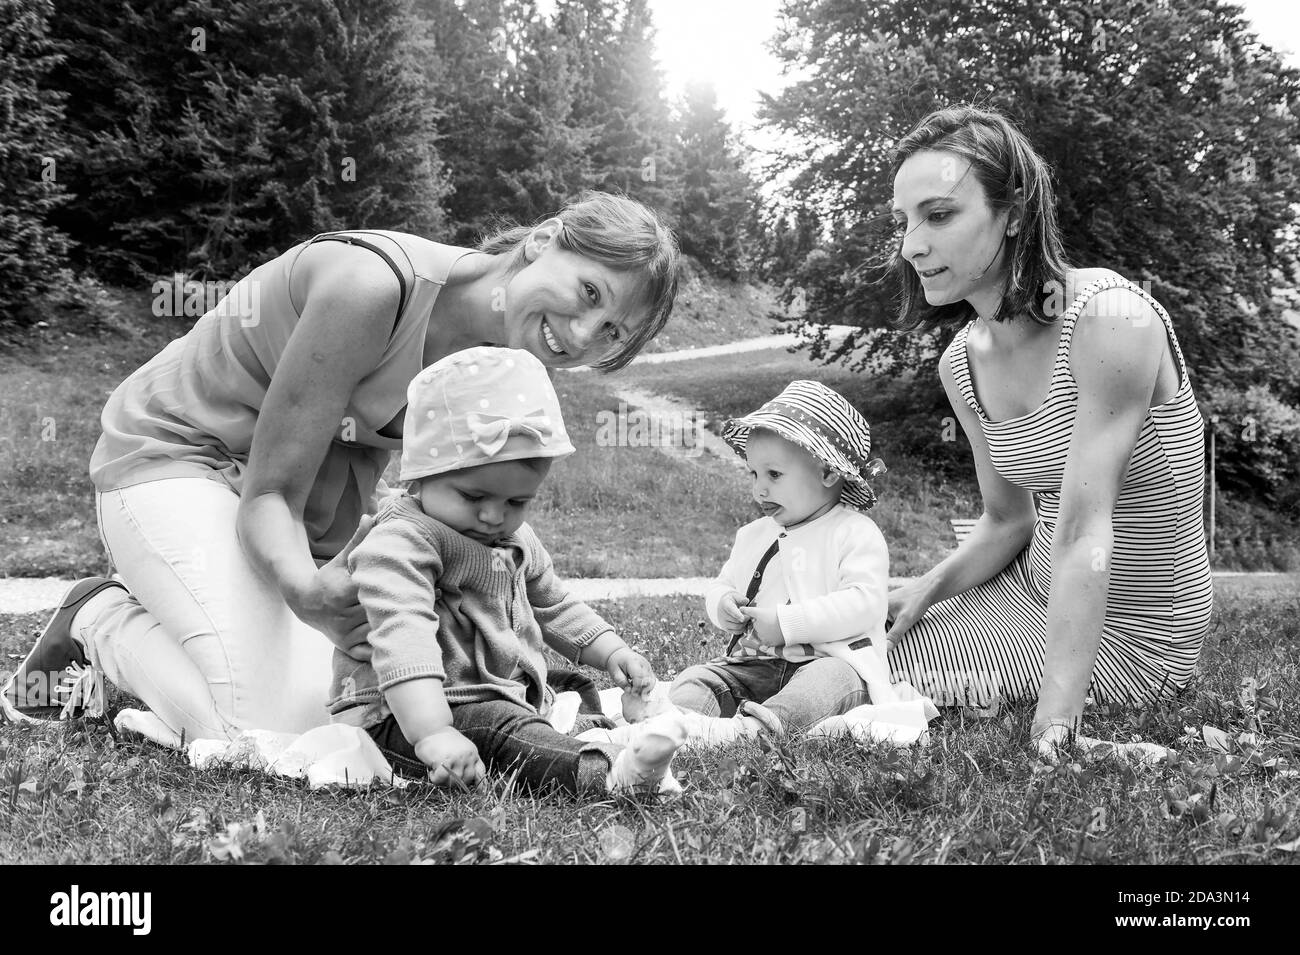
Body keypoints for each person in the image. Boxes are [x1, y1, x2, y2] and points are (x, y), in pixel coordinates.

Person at [2, 192, 681, 748]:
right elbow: (271, 493)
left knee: (347, 711)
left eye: (614, 332)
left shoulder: (497, 364)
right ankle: (98, 617)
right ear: (544, 240)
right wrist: (307, 592)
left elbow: (447, 512)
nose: (585, 336)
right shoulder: (372, 287)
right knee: (265, 724)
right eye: (589, 291)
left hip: (298, 505)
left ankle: (192, 612)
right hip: (177, 460)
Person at [880, 105, 1212, 757]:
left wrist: (1055, 724)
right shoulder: (961, 363)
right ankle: (695, 712)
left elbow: (1086, 528)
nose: (911, 245)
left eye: (939, 214)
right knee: (863, 631)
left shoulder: (1111, 321)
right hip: (1032, 586)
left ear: (1013, 213)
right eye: (904, 221)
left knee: (869, 667)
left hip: (1140, 632)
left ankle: (714, 722)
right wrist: (928, 585)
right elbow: (1009, 522)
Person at [330, 347, 686, 793]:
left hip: (486, 693)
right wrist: (434, 733)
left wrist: (612, 651)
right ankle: (607, 772)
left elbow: (554, 602)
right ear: (420, 476)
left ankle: (574, 731)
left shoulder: (514, 539)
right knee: (502, 728)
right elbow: (404, 639)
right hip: (404, 716)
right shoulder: (402, 542)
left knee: (563, 684)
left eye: (516, 502)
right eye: (474, 497)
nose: (493, 516)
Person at [663, 381, 892, 743]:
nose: (759, 490)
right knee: (699, 678)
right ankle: (678, 725)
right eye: (754, 474)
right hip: (753, 666)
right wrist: (724, 605)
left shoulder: (854, 533)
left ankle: (755, 731)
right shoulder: (754, 535)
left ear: (829, 473)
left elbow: (864, 605)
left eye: (774, 475)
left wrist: (788, 624)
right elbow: (723, 584)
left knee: (831, 682)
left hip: (828, 663)